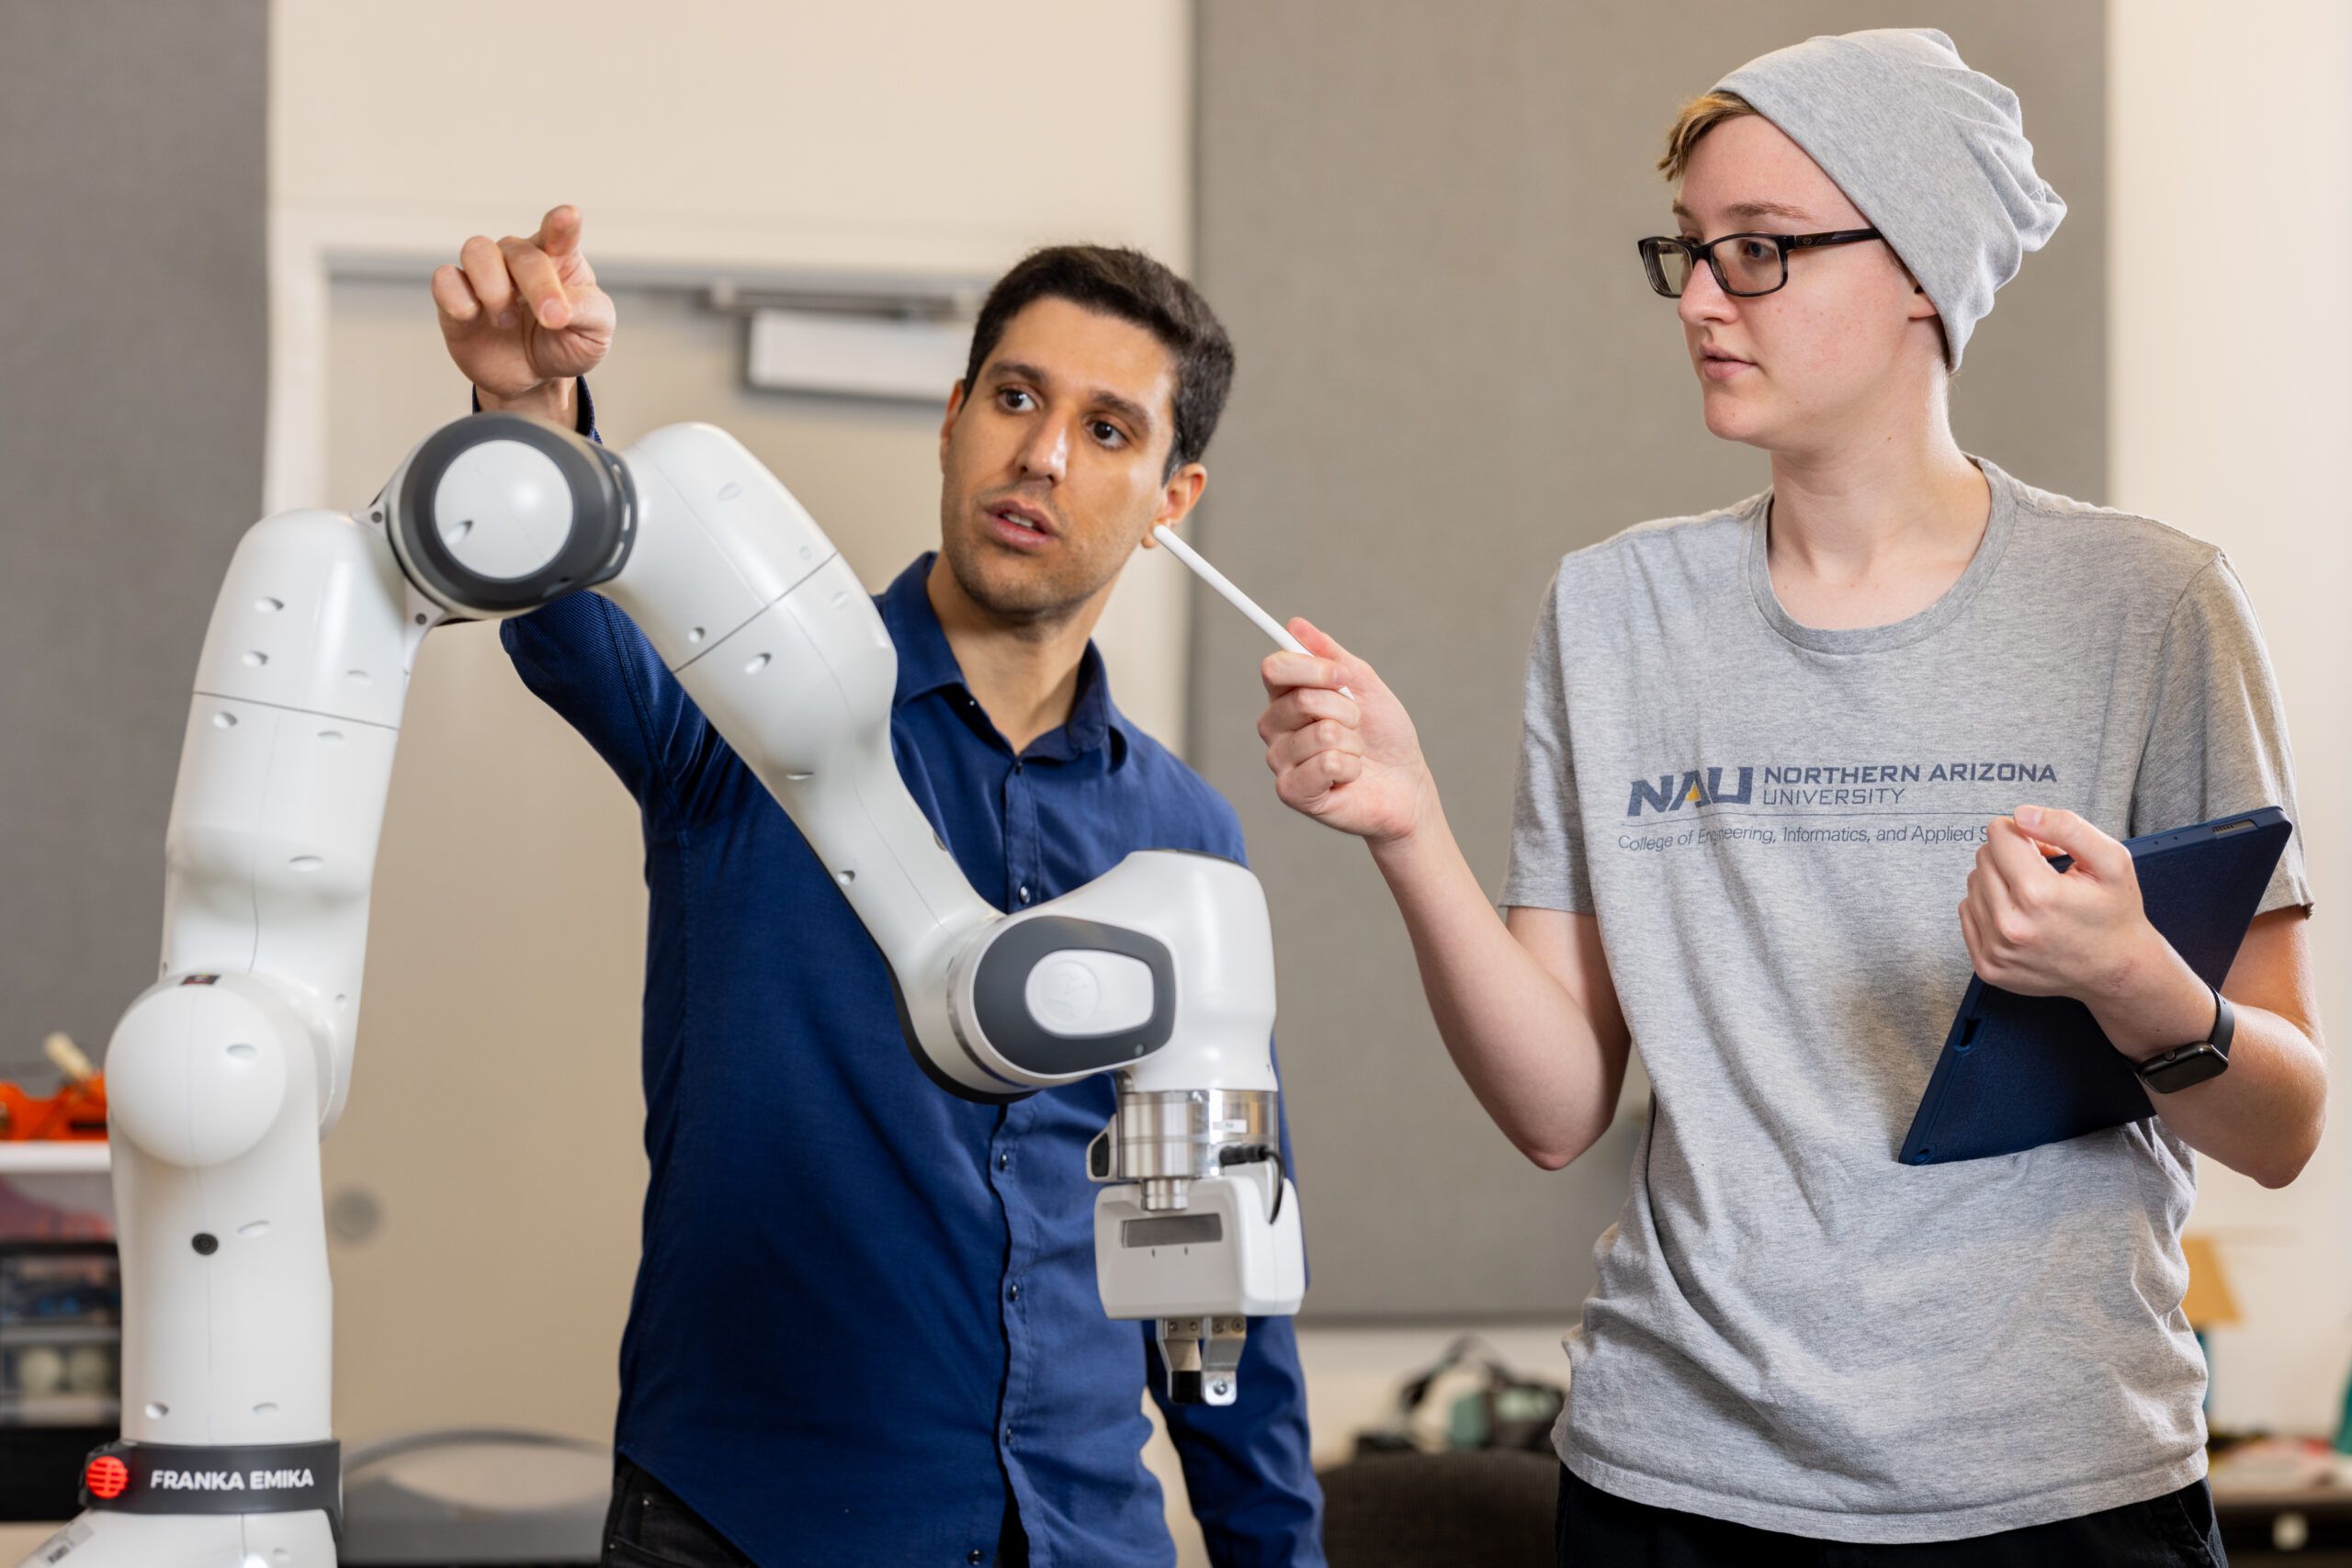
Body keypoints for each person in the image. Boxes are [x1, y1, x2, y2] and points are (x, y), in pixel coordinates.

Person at [1254, 28, 2322, 1566]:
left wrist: (2130, 977)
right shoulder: (1615, 611)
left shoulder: (2150, 608)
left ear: (1918, 273)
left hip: (2066, 1490)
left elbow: (2283, 1125)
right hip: (1676, 1482)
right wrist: (1407, 826)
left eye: (1756, 252)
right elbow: (1560, 1110)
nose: (1698, 299)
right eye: (1685, 254)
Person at [432, 210, 1325, 1568]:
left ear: (1171, 502)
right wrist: (527, 405)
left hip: (1082, 1532)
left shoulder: (1184, 843)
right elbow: (570, 621)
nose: (1040, 454)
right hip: (753, 1523)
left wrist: (1277, 1551)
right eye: (1015, 399)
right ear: (957, 416)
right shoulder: (752, 705)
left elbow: (1215, 1266)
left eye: (1106, 430)